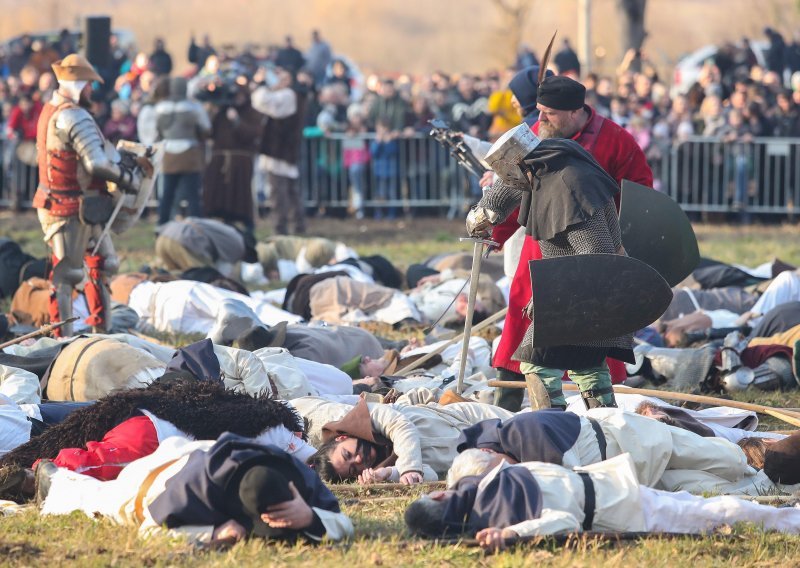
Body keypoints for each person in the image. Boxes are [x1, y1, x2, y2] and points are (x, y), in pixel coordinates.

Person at [485, 74, 653, 411]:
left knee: (574, 347)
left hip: (593, 250)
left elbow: (640, 194)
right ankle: (508, 407)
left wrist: (618, 243)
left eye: (549, 113)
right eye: (539, 111)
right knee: (523, 334)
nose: (539, 119)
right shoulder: (535, 138)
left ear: (576, 112)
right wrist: (494, 230)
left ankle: (559, 421)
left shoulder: (613, 141)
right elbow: (510, 190)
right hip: (540, 249)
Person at [468, 124, 634, 410]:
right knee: (589, 366)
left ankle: (551, 428)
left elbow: (594, 255)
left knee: (537, 366)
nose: (509, 179)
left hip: (585, 289)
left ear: (520, 163)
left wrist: (549, 297)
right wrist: (481, 216)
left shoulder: (569, 185)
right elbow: (507, 191)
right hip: (593, 296)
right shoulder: (553, 165)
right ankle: (608, 429)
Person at [405, 451, 800, 549]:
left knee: (690, 497)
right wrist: (510, 535)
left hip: (615, 485)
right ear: (440, 495)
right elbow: (563, 524)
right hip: (622, 508)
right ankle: (792, 521)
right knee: (722, 510)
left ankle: (787, 513)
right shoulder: (500, 516)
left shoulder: (484, 484)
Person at [0, 379, 310, 500]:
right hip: (157, 434)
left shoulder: (272, 423)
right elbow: (315, 463)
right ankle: (35, 473)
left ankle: (31, 468)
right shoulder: (287, 438)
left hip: (155, 424)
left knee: (99, 456)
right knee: (102, 462)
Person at [38, 433, 352, 544]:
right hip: (154, 478)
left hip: (205, 450)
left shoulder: (294, 475)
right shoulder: (187, 492)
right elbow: (152, 529)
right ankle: (49, 478)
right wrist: (210, 534)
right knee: (96, 498)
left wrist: (309, 517)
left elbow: (343, 522)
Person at [32, 54, 147, 337]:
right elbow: (96, 163)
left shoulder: (54, 109)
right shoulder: (73, 115)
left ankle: (101, 331)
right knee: (67, 274)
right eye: (88, 86)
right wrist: (128, 178)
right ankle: (63, 341)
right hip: (67, 207)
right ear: (78, 85)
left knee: (104, 263)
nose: (90, 92)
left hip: (83, 205)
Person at [453, 407, 757, 493]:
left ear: (492, 454)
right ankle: (768, 483)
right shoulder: (486, 469)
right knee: (711, 488)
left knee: (728, 460)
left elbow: (569, 484)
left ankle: (757, 457)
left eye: (503, 470)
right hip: (624, 475)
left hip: (629, 436)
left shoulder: (524, 434)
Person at [296, 396, 512, 484]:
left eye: (348, 454)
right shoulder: (385, 467)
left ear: (342, 438)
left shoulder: (366, 416)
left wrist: (408, 467)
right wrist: (391, 473)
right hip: (485, 452)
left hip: (473, 419)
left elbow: (400, 425)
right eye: (353, 469)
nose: (359, 459)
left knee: (531, 422)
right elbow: (431, 474)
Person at [252, 65, 308, 236]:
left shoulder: (288, 95)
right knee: (289, 192)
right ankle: (297, 226)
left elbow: (261, 101)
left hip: (280, 151)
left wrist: (265, 85)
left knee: (280, 193)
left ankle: (281, 229)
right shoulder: (291, 95)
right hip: (281, 150)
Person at [203, 82, 264, 236]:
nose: (236, 99)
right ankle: (221, 217)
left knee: (240, 193)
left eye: (239, 96)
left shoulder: (252, 113)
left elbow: (252, 134)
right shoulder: (221, 112)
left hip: (240, 161)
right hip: (220, 159)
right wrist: (211, 110)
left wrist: (236, 120)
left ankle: (246, 222)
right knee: (218, 192)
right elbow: (209, 132)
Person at [155, 76, 211, 226]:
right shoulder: (194, 107)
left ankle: (161, 224)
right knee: (193, 195)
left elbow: (158, 132)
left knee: (167, 194)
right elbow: (205, 130)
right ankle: (198, 226)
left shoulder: (160, 107)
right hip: (190, 155)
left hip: (168, 154)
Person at [155, 217, 257, 279]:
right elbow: (223, 271)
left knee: (166, 275)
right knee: (199, 277)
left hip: (165, 235)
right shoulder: (239, 245)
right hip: (185, 240)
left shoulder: (229, 232)